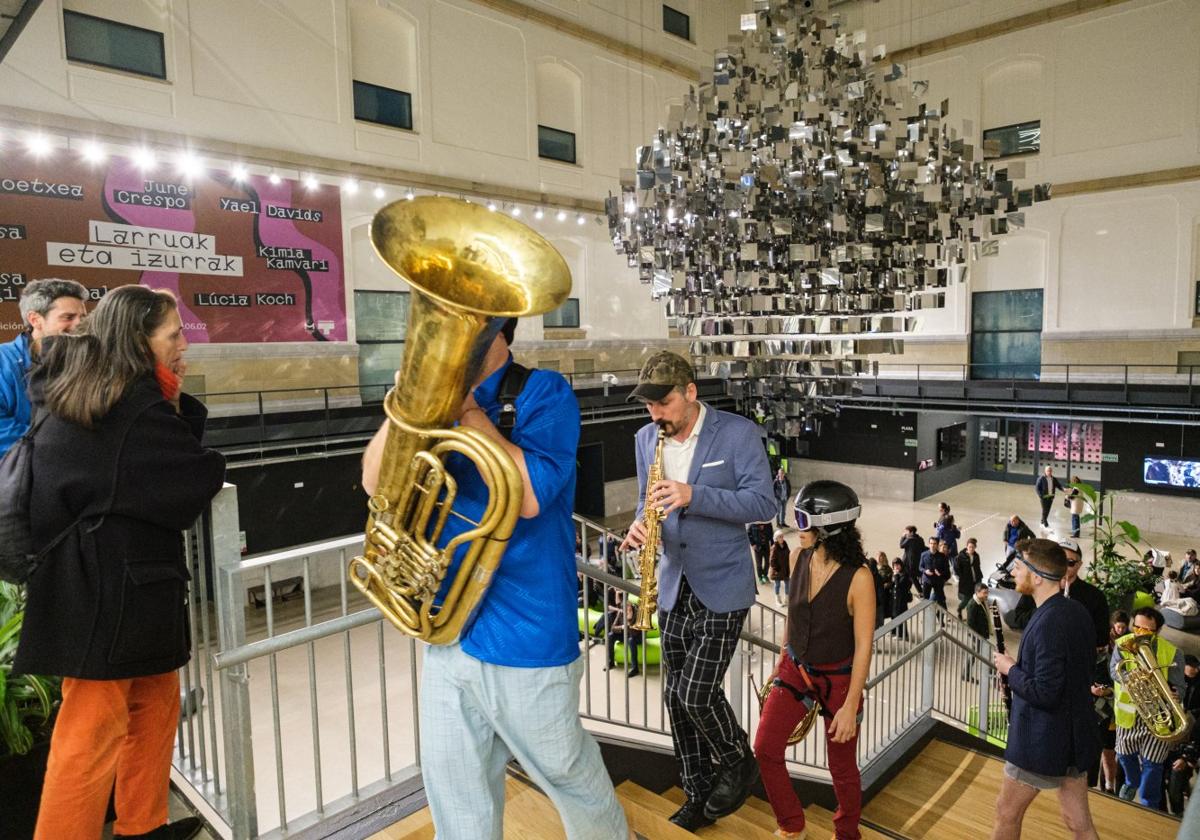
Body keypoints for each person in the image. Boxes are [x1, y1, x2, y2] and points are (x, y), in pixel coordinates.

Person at [361, 318, 629, 840]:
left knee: (566, 773)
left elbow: (529, 496)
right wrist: (403, 409)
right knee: (455, 790)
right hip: (448, 630)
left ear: (496, 331)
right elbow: (376, 482)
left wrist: (467, 412)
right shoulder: (431, 400)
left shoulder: (543, 393)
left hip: (527, 634)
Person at [14, 286, 225, 840]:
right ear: (139, 341)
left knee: (154, 706)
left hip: (128, 583)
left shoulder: (88, 390)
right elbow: (193, 478)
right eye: (174, 335)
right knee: (89, 732)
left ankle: (144, 825)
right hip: (105, 588)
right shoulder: (130, 406)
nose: (185, 345)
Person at [620, 350, 775, 830]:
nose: (655, 415)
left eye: (663, 402)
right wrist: (637, 528)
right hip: (670, 583)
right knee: (675, 698)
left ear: (690, 392)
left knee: (696, 692)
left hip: (723, 583)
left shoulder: (738, 433)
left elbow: (763, 503)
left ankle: (737, 760)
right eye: (648, 405)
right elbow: (650, 505)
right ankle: (695, 789)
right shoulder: (647, 439)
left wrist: (694, 495)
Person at [754, 481, 875, 840]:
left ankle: (847, 833)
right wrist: (781, 658)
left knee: (841, 768)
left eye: (803, 520)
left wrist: (851, 704)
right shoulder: (797, 557)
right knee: (764, 748)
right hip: (796, 669)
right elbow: (793, 615)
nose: (797, 527)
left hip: (840, 680)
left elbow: (864, 646)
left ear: (829, 526)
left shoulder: (860, 578)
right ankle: (792, 825)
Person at [991, 538, 1100, 840]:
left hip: (1042, 742)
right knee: (1078, 822)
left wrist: (1010, 669)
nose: (1013, 571)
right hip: (1073, 739)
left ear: (1036, 575)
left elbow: (1046, 692)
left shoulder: (1048, 623)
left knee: (1006, 812)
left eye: (1019, 565)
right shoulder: (1075, 611)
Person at [0, 277, 88, 455]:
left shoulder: (86, 361)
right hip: (19, 473)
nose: (79, 324)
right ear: (35, 319)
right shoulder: (4, 360)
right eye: (68, 317)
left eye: (82, 317)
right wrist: (53, 447)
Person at [1110, 606, 1186, 809]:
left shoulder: (1173, 653)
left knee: (1153, 765)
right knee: (1124, 755)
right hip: (1129, 717)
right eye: (1136, 627)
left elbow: (1180, 686)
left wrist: (1177, 693)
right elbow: (1114, 671)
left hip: (1158, 718)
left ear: (1157, 631)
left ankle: (1148, 803)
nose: (1139, 633)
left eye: (1146, 631)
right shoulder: (1121, 645)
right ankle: (1131, 782)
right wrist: (1133, 681)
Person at [1165, 655, 1200, 815]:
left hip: (1184, 748)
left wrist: (1187, 758)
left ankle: (1178, 816)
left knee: (1175, 788)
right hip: (1165, 748)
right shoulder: (1172, 682)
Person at [603, 592, 643, 678]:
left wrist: (628, 623)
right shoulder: (621, 613)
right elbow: (613, 627)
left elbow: (637, 631)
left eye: (628, 608)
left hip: (637, 637)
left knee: (631, 640)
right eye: (624, 609)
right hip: (625, 634)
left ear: (631, 607)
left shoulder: (637, 614)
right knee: (610, 635)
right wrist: (622, 627)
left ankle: (634, 668)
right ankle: (611, 662)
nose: (626, 611)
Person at [954, 537, 981, 620]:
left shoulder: (976, 556)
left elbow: (978, 567)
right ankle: (960, 609)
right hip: (966, 582)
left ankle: (971, 615)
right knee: (967, 598)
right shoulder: (960, 557)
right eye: (970, 547)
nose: (971, 549)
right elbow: (956, 569)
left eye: (973, 547)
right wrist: (962, 577)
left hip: (976, 580)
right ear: (967, 547)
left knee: (975, 598)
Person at [919, 537, 950, 608]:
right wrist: (925, 571)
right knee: (925, 600)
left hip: (938, 581)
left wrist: (940, 573)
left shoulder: (942, 556)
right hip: (927, 580)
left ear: (937, 545)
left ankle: (943, 618)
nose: (932, 545)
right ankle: (926, 617)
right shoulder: (923, 555)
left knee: (941, 601)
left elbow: (946, 570)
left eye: (934, 544)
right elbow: (920, 567)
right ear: (929, 544)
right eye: (931, 543)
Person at [888, 558, 913, 640]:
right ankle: (894, 632)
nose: (896, 567)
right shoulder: (896, 574)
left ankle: (902, 635)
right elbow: (892, 585)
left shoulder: (904, 575)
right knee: (894, 616)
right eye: (894, 565)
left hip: (901, 600)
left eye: (898, 565)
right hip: (895, 600)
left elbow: (899, 586)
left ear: (901, 565)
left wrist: (895, 575)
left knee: (901, 617)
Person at [769, 530, 791, 607]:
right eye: (780, 537)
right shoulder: (774, 547)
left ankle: (787, 599)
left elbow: (789, 554)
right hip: (777, 570)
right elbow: (772, 560)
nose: (782, 538)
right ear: (776, 538)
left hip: (785, 568)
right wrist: (776, 569)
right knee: (777, 584)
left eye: (782, 536)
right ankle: (777, 600)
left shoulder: (785, 544)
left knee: (787, 584)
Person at [749, 521, 772, 585]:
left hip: (766, 546)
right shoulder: (752, 524)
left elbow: (771, 533)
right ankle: (760, 577)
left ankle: (765, 575)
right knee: (759, 564)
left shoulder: (768, 523)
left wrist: (772, 543)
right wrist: (753, 544)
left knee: (767, 562)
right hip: (757, 548)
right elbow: (749, 533)